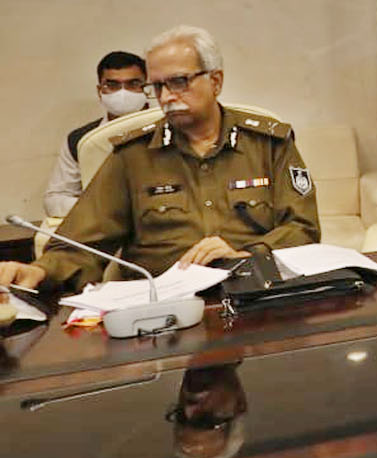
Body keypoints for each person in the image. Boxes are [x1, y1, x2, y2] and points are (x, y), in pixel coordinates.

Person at [0, 25, 320, 291]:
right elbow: (81, 243)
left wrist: (247, 254)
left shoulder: (267, 144)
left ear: (215, 81)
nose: (166, 97)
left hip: (256, 294)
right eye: (157, 86)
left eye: (179, 82)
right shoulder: (133, 156)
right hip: (164, 310)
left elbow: (303, 228)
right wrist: (40, 270)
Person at [43, 51, 150, 218]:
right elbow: (55, 199)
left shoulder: (172, 129)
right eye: (112, 85)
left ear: (147, 88)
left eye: (133, 83)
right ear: (100, 91)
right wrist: (101, 206)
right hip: (103, 224)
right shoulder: (80, 140)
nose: (123, 92)